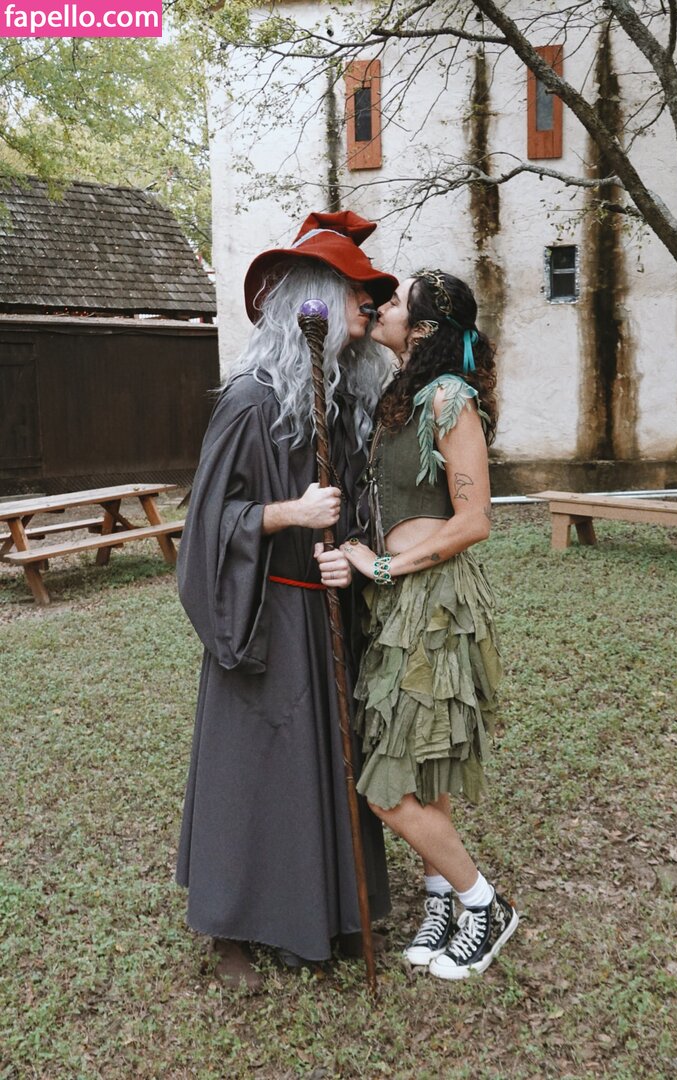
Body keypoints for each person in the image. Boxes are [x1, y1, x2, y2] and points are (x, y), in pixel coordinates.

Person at [175, 211, 398, 991]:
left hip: (321, 612)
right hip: (265, 614)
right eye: (357, 293)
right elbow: (207, 524)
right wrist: (288, 515)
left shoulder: (345, 404)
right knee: (252, 771)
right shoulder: (250, 400)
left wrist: (348, 559)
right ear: (316, 302)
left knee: (323, 767)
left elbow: (356, 511)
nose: (370, 309)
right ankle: (230, 927)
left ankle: (320, 915)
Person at [332, 268, 519, 980]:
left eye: (397, 300)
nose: (382, 306)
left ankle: (485, 906)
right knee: (424, 762)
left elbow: (475, 521)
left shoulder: (449, 398)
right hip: (400, 605)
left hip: (434, 604)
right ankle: (440, 899)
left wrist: (383, 566)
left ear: (425, 328)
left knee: (385, 787)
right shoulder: (402, 395)